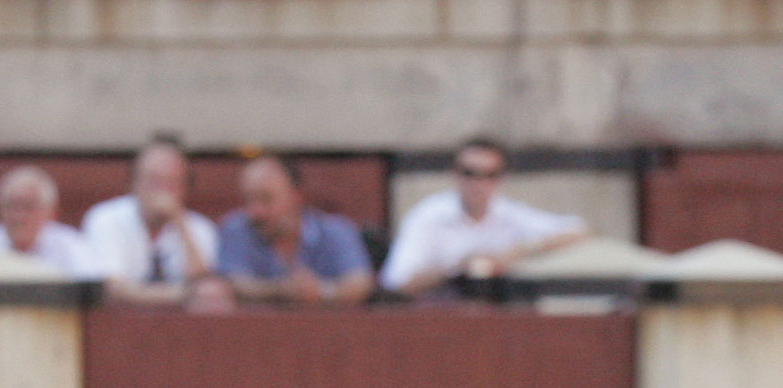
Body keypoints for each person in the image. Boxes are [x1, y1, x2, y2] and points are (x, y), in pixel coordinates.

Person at [380, 139, 588, 296]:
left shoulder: (508, 213)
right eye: (470, 173)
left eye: (490, 175)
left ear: (500, 179)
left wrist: (518, 252)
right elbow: (396, 283)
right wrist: (456, 270)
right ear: (455, 174)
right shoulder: (428, 216)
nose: (479, 185)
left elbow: (577, 229)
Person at [80, 138, 222, 306]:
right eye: (153, 181)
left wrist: (179, 223)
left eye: (171, 183)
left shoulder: (200, 228)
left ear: (186, 187)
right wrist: (181, 296)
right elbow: (112, 289)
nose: (161, 191)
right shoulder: (105, 219)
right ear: (134, 183)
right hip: (122, 323)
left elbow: (204, 287)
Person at [215, 155, 373, 305]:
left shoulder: (335, 231)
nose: (255, 211)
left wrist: (323, 291)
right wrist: (282, 290)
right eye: (247, 200)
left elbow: (360, 282)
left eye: (266, 199)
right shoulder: (236, 229)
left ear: (295, 197)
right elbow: (231, 283)